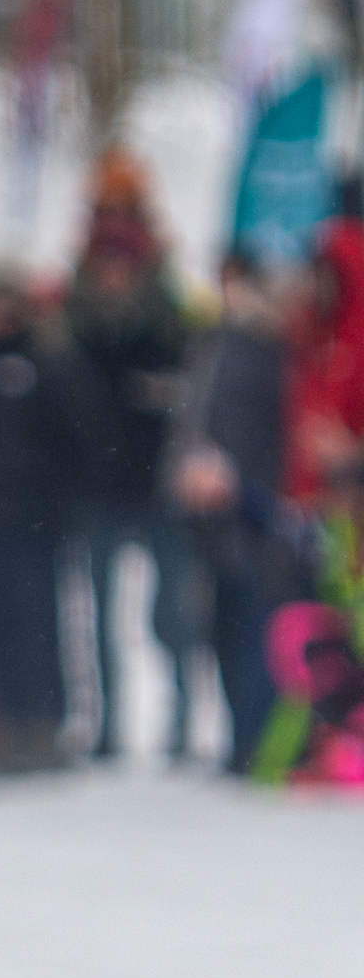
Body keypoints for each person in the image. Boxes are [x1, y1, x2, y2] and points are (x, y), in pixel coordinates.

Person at [0, 267, 106, 775]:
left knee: (37, 626)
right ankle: (7, 727)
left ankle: (45, 727)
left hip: (32, 523)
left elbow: (82, 435)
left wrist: (56, 498)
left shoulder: (47, 364)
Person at [63, 166, 190, 758]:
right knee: (98, 621)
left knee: (177, 613)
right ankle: (107, 726)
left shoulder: (168, 317)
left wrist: (163, 394)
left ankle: (184, 723)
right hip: (97, 486)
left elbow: (191, 386)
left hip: (157, 484)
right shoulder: (72, 321)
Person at [164, 247, 296, 775]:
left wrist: (239, 479)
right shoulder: (211, 342)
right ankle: (237, 735)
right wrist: (182, 471)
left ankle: (259, 740)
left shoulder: (273, 345)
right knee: (218, 623)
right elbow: (190, 418)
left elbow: (278, 427)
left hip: (256, 508)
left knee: (256, 624)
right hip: (207, 512)